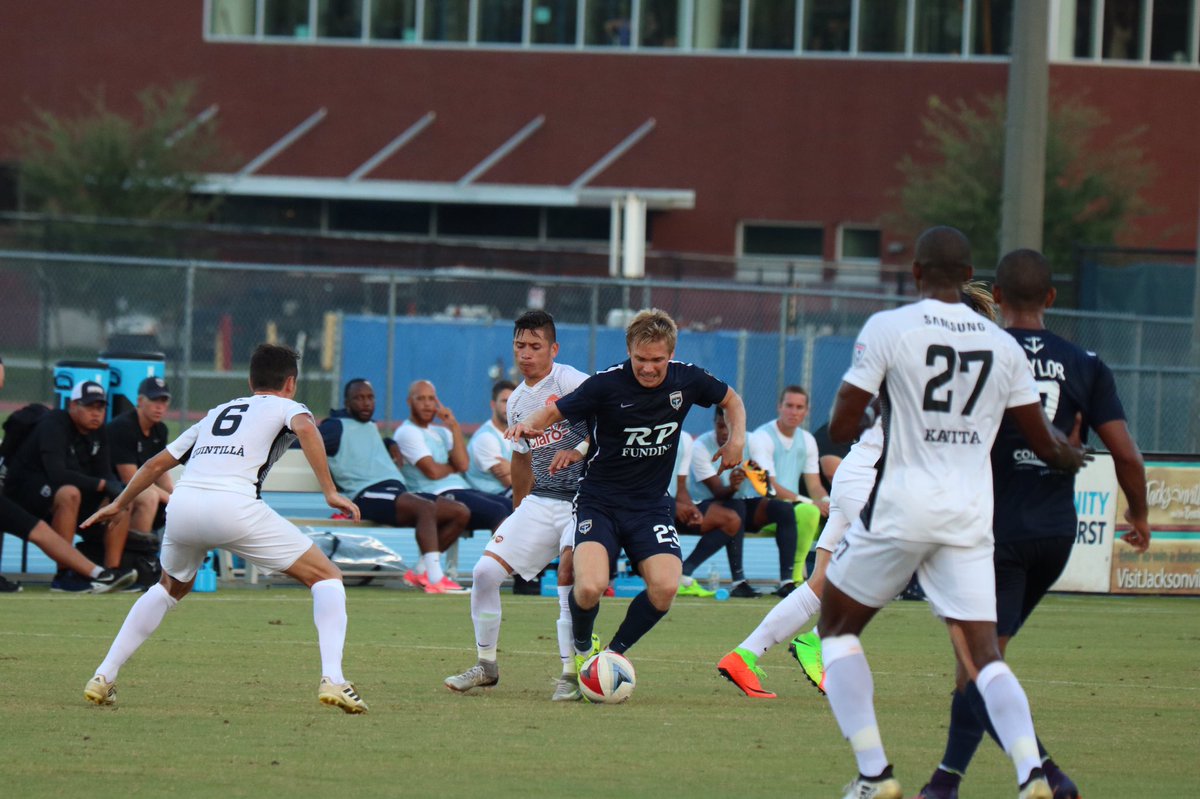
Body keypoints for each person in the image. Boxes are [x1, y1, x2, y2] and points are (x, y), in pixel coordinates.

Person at [817, 227, 1086, 799]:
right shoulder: (1002, 344)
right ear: (970, 277)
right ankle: (1031, 775)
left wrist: (878, 417)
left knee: (837, 629)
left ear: (915, 274)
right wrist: (1073, 454)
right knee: (985, 655)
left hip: (901, 507)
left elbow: (841, 425)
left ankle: (874, 775)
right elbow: (1046, 445)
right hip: (969, 518)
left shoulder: (890, 327)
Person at [916, 249, 1152, 799]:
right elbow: (1128, 456)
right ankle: (950, 782)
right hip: (1055, 532)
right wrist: (1138, 514)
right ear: (1050, 298)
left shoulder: (977, 354)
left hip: (991, 533)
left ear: (994, 297)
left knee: (978, 665)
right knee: (978, 661)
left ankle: (1040, 776)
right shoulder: (1086, 363)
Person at [719, 282, 1001, 700]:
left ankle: (744, 656)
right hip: (872, 478)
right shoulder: (944, 364)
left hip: (861, 472)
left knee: (820, 584)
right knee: (899, 566)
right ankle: (817, 639)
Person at [80, 343, 368, 713]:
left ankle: (103, 675)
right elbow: (307, 430)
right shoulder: (289, 407)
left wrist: (119, 504)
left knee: (169, 587)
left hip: (183, 506)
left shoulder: (219, 411)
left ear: (250, 380)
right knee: (326, 576)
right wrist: (330, 491)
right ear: (291, 384)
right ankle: (334, 679)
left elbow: (154, 465)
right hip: (233, 507)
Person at [506, 308, 746, 667]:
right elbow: (556, 410)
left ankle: (611, 657)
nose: (648, 368)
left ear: (671, 354)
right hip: (598, 502)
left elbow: (732, 400)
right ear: (629, 351)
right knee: (589, 587)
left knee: (666, 587)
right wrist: (530, 423)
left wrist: (736, 440)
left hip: (649, 505)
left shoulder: (688, 380)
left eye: (657, 360)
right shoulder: (607, 383)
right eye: (640, 359)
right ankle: (585, 647)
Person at [444, 311, 595, 700]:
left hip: (587, 498)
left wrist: (578, 450)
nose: (526, 354)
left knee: (566, 572)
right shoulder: (516, 403)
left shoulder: (572, 381)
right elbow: (522, 459)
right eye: (520, 346)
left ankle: (571, 672)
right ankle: (486, 665)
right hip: (542, 500)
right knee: (483, 574)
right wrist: (516, 513)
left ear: (553, 348)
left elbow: (611, 426)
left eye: (535, 346)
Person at [319, 378, 470, 594]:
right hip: (366, 495)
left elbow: (369, 446)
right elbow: (308, 441)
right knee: (426, 508)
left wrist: (389, 443)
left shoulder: (370, 426)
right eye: (359, 398)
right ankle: (436, 579)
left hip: (394, 492)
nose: (366, 403)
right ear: (347, 402)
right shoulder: (336, 426)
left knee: (460, 512)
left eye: (370, 398)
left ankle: (421, 572)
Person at [3, 380, 135, 590]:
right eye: (89, 406)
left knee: (121, 500)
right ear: (73, 405)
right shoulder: (54, 425)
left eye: (100, 407)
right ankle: (64, 575)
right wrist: (103, 484)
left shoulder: (98, 432)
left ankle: (111, 573)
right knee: (69, 493)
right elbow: (58, 474)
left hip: (63, 495)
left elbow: (104, 473)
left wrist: (114, 490)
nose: (96, 413)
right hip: (25, 493)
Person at [393, 379, 513, 586]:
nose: (427, 404)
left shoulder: (441, 432)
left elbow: (463, 464)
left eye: (431, 399)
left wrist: (454, 426)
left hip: (459, 489)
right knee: (497, 511)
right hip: (433, 494)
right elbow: (431, 471)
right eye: (420, 399)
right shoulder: (407, 432)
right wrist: (453, 466)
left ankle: (422, 568)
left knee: (509, 506)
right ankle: (495, 574)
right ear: (409, 402)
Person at [748, 385, 829, 596]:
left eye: (799, 407)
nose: (794, 412)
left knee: (834, 518)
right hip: (762, 509)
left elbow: (814, 484)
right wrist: (813, 503)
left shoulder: (808, 440)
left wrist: (827, 501)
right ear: (779, 407)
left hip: (793, 510)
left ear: (807, 411)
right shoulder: (761, 437)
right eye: (789, 406)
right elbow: (770, 486)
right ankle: (795, 578)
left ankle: (838, 583)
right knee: (809, 512)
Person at [677, 406, 761, 599]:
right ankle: (683, 572)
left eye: (729, 427)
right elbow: (718, 491)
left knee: (775, 511)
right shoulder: (699, 446)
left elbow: (765, 482)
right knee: (733, 516)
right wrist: (685, 506)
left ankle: (787, 581)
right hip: (699, 503)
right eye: (720, 426)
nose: (724, 432)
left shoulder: (752, 442)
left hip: (725, 502)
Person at [106, 376, 174, 540]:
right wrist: (173, 500)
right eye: (154, 400)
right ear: (140, 401)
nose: (159, 407)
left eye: (164, 401)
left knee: (182, 498)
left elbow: (161, 471)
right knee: (150, 498)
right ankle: (138, 554)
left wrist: (178, 496)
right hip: (114, 487)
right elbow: (130, 478)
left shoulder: (160, 430)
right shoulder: (123, 427)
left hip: (136, 485)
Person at [465, 380, 516, 497]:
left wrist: (512, 467)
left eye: (513, 402)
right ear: (493, 405)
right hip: (493, 498)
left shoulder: (517, 432)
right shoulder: (486, 438)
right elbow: (511, 483)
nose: (509, 406)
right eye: (504, 401)